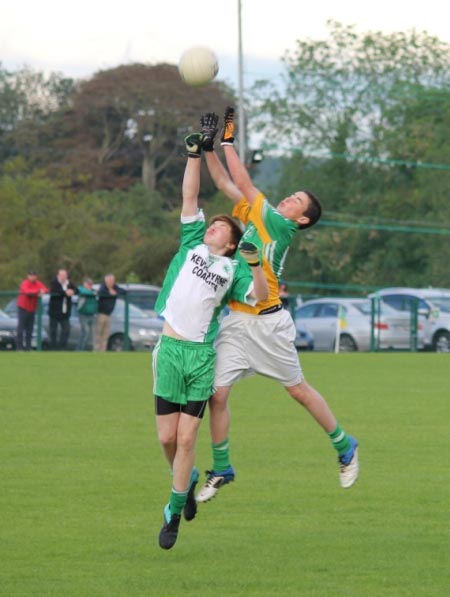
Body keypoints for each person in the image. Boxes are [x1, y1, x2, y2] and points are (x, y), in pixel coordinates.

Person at [196, 109, 359, 504]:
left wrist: (229, 141)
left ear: (301, 220)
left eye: (296, 201)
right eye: (291, 195)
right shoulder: (257, 215)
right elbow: (224, 181)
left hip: (268, 326)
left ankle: (345, 444)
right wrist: (207, 150)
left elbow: (245, 180)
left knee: (299, 392)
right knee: (216, 396)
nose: (289, 199)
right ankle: (222, 469)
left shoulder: (281, 225)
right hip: (237, 321)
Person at [153, 132, 268, 550]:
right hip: (169, 351)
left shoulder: (233, 269)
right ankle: (185, 480)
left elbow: (259, 294)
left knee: (186, 439)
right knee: (168, 440)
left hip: (200, 357)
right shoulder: (191, 245)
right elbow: (189, 195)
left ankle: (172, 513)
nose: (213, 225)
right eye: (213, 223)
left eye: (220, 226)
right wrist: (193, 154)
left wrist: (254, 264)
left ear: (231, 243)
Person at [16, 270, 48, 351]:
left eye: (34, 275)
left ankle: (28, 347)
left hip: (32, 309)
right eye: (30, 275)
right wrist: (38, 291)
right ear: (28, 276)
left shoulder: (38, 283)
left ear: (36, 276)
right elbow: (27, 291)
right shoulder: (25, 282)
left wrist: (42, 291)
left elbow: (46, 289)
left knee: (29, 330)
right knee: (21, 328)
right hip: (23, 308)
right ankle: (19, 348)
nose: (32, 277)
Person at [48, 269, 77, 350]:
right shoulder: (54, 283)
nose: (63, 277)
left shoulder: (69, 283)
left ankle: (62, 348)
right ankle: (53, 348)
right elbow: (54, 290)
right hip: (54, 312)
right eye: (62, 275)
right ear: (58, 276)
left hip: (65, 313)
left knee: (66, 330)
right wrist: (65, 293)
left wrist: (72, 291)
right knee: (53, 331)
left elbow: (76, 290)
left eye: (65, 275)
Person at [94, 274, 124, 352]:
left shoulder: (115, 287)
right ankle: (96, 350)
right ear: (106, 280)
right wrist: (109, 293)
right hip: (101, 314)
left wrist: (115, 292)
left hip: (109, 314)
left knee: (106, 334)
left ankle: (102, 350)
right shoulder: (103, 287)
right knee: (98, 332)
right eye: (110, 280)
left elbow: (123, 291)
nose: (111, 282)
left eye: (113, 280)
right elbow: (101, 292)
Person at [77, 277, 97, 350]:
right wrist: (93, 293)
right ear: (84, 284)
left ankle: (87, 349)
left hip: (92, 314)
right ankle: (79, 349)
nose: (90, 286)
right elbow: (84, 292)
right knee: (85, 332)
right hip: (83, 314)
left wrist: (93, 292)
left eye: (91, 284)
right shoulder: (81, 289)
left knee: (91, 334)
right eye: (88, 284)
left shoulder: (93, 291)